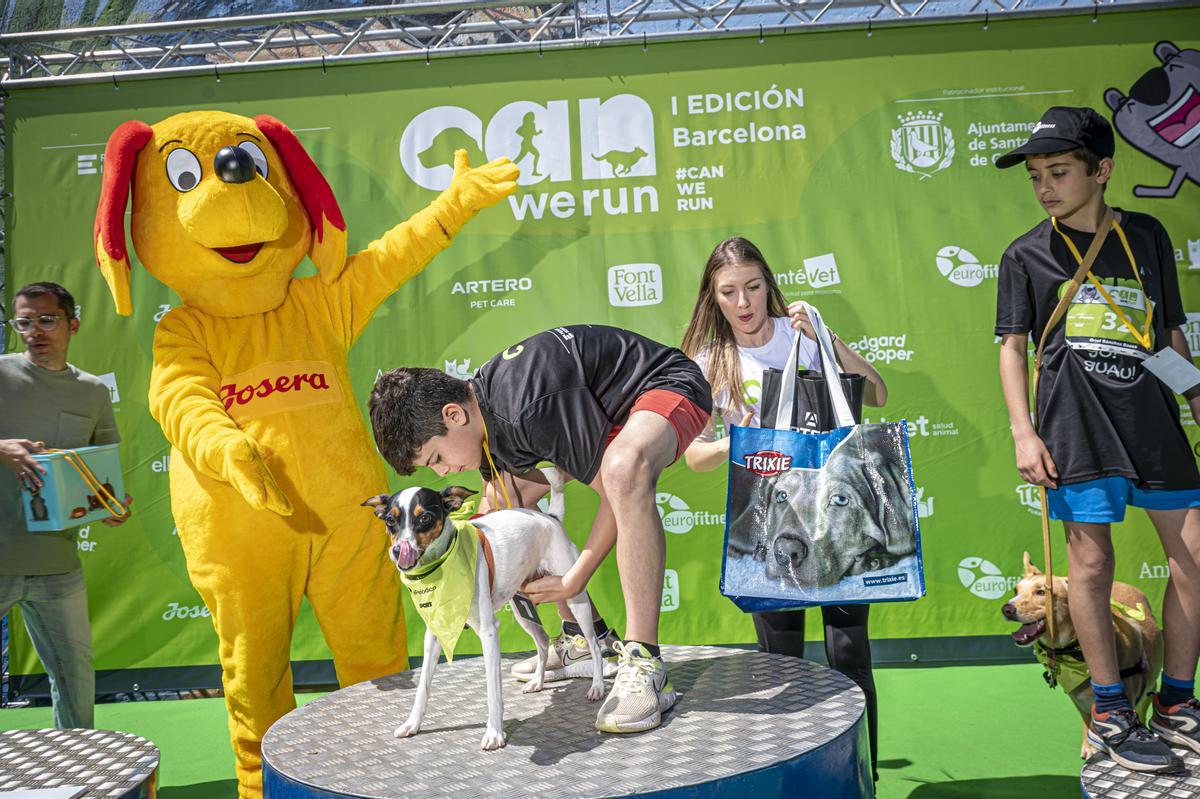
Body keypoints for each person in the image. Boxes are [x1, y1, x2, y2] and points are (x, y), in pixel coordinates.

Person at [369, 324, 711, 733]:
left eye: (437, 457)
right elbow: (500, 512)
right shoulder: (480, 416)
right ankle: (586, 639)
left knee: (623, 473)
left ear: (453, 415)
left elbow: (613, 500)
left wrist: (573, 578)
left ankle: (643, 659)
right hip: (605, 411)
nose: (442, 471)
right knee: (500, 504)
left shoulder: (528, 404)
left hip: (665, 384)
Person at [995, 106, 1200, 772]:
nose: (1045, 186)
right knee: (1090, 567)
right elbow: (1014, 349)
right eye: (1035, 175)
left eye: (1058, 171)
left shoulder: (1147, 235)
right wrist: (1024, 433)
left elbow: (1167, 332)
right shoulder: (1025, 253)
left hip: (1152, 423)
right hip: (1074, 431)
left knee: (1194, 556)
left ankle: (1175, 701)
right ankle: (1110, 709)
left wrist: (1195, 393)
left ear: (1102, 169)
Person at [680, 236, 888, 781]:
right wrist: (742, 440)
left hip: (836, 523)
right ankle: (793, 783)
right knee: (782, 668)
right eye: (730, 292)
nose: (744, 302)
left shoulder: (805, 337)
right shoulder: (708, 362)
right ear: (714, 296)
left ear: (768, 284)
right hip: (771, 529)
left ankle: (863, 781)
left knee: (849, 657)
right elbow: (695, 457)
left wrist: (826, 336)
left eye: (753, 287)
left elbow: (879, 393)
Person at [0, 281, 133, 728]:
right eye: (24, 322)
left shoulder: (93, 392)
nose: (35, 331)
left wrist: (112, 506)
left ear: (72, 324)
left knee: (75, 679)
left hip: (58, 564)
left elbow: (104, 476)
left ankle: (85, 781)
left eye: (47, 319)